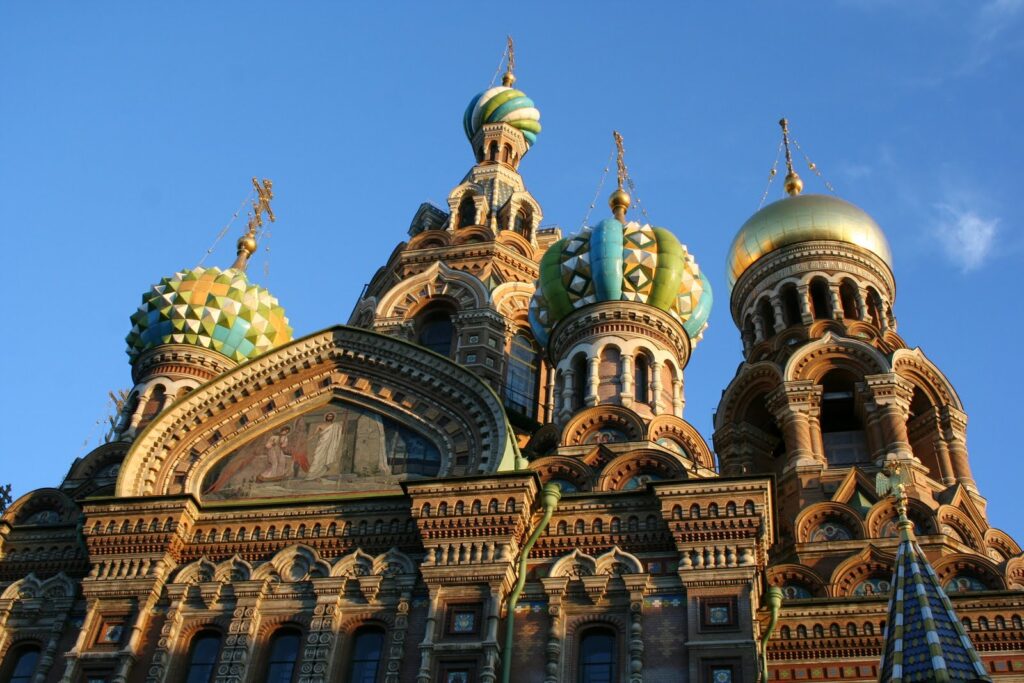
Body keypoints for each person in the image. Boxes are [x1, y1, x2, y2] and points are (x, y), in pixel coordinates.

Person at [305, 412, 346, 479]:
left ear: (333, 418)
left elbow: (340, 432)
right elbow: (314, 434)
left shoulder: (335, 426)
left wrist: (343, 426)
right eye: (328, 416)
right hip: (321, 444)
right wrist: (306, 440)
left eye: (331, 416)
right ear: (326, 417)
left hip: (329, 445)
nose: (329, 417)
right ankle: (311, 475)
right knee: (317, 458)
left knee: (325, 459)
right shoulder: (320, 425)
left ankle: (319, 474)